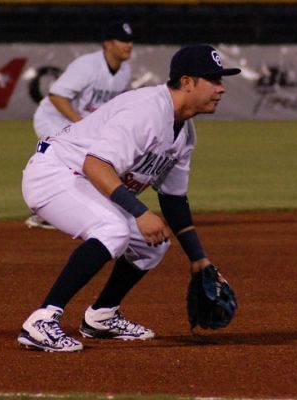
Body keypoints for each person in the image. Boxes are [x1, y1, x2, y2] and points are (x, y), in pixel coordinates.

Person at [17, 44, 241, 352]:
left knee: (155, 244)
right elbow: (94, 165)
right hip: (55, 173)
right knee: (114, 229)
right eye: (214, 80)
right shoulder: (146, 112)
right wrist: (139, 211)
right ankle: (43, 320)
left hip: (86, 179)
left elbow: (174, 199)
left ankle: (102, 316)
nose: (221, 88)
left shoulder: (185, 133)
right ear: (188, 82)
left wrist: (198, 258)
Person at [25, 21, 137, 229]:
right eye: (123, 40)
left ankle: (81, 206)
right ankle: (43, 210)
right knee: (64, 159)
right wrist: (81, 125)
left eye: (130, 41)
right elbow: (57, 95)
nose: (128, 45)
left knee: (94, 160)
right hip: (54, 117)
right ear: (108, 44)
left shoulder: (125, 71)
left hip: (83, 124)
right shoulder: (87, 66)